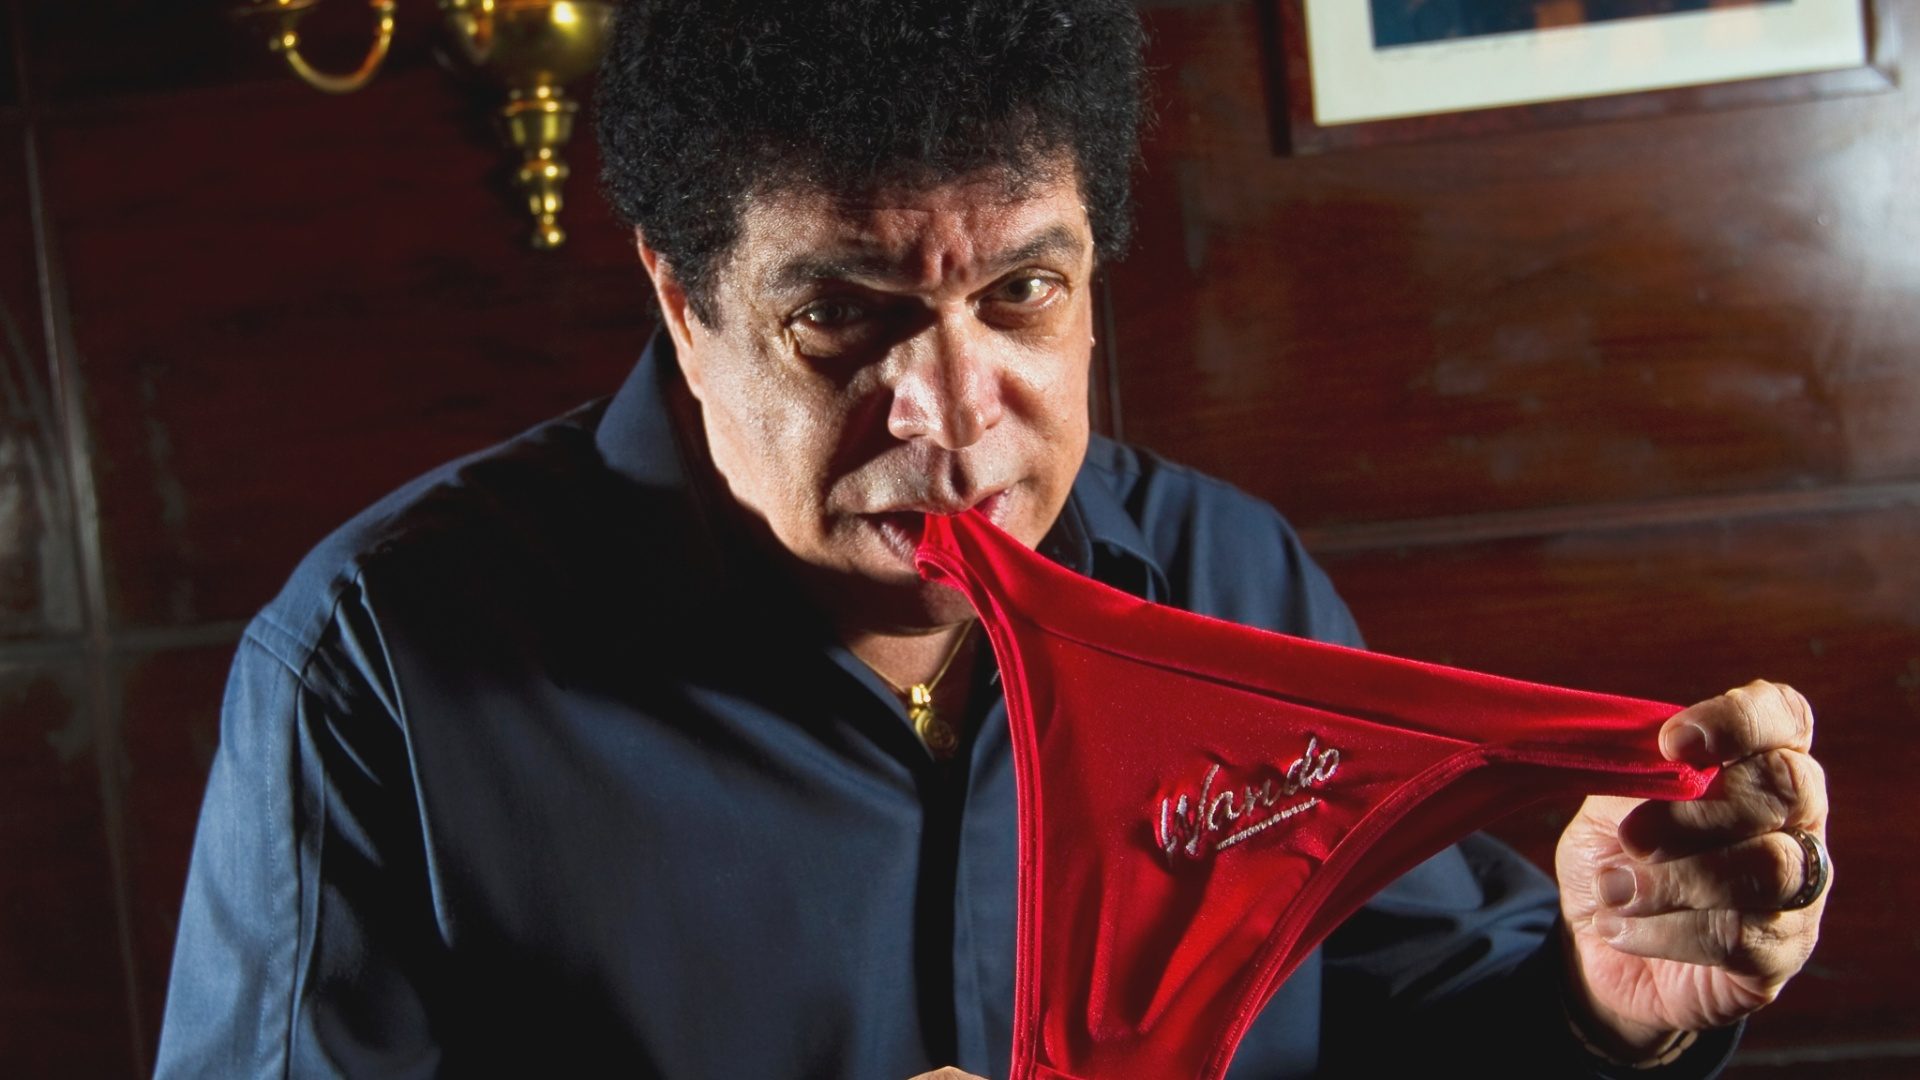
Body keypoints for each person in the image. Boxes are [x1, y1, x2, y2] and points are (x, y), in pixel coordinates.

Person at [154, 1, 1831, 1076]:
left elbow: (1407, 1015)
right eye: (841, 316)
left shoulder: (1227, 575)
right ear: (683, 302)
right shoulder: (377, 665)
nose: (953, 414)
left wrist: (1605, 999)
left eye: (1021, 292)